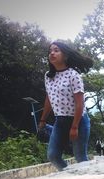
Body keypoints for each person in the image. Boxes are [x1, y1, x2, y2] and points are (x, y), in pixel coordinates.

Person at [38, 41, 93, 171]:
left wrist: (74, 127)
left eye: (56, 50)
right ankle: (69, 175)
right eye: (50, 51)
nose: (52, 53)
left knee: (80, 157)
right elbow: (49, 99)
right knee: (53, 155)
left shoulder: (74, 75)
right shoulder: (48, 76)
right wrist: (42, 120)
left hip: (78, 121)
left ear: (65, 56)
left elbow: (80, 104)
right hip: (60, 121)